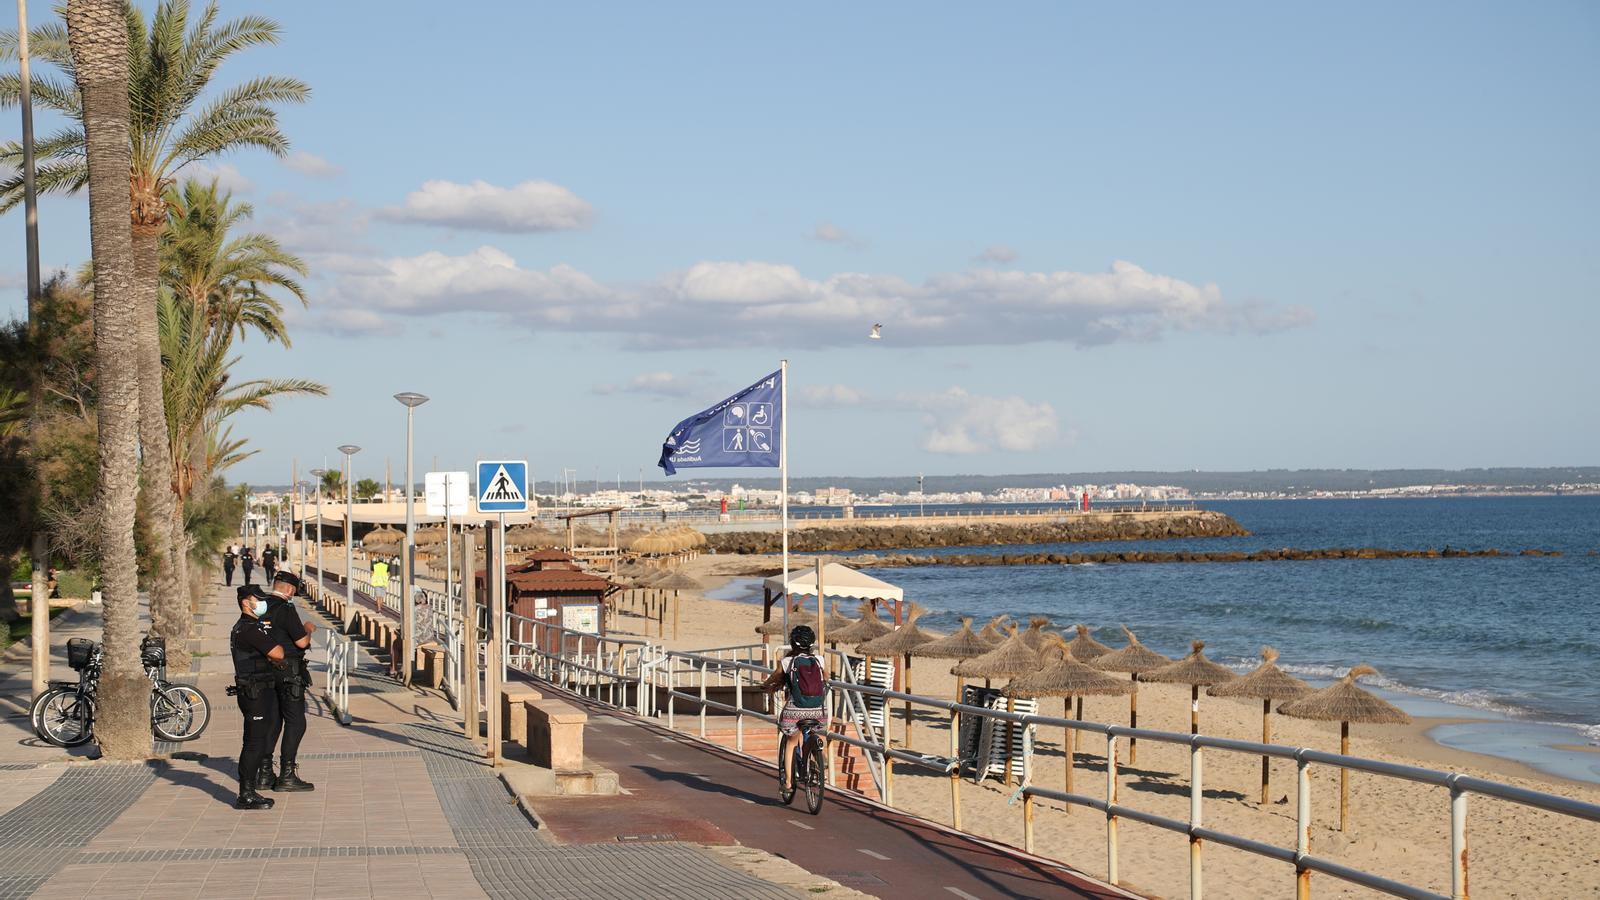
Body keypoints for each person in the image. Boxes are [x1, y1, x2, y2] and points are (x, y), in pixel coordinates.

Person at [258, 570, 317, 792]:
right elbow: (301, 643)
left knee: (272, 721)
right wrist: (309, 629)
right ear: (290, 589)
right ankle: (287, 774)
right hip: (288, 672)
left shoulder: (260, 606)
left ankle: (264, 773)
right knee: (296, 721)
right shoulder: (286, 608)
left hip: (264, 671)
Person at [230, 584, 286, 809]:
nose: (261, 603)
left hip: (259, 689)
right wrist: (275, 655)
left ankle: (250, 789)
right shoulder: (248, 629)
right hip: (254, 692)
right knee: (253, 743)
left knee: (258, 740)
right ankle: (246, 794)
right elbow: (278, 652)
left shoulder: (253, 626)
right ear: (246, 602)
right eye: (257, 599)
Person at [758, 625, 830, 791]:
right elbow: (826, 678)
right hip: (819, 710)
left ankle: (789, 783)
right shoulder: (819, 660)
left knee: (790, 740)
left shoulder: (786, 661)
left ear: (793, 643)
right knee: (812, 730)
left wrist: (765, 685)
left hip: (796, 708)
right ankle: (819, 757)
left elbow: (775, 677)